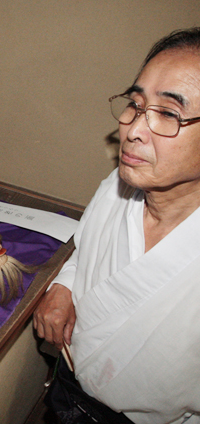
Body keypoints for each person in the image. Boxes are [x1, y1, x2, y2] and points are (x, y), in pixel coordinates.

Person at [33, 27, 200, 424]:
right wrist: (64, 286)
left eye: (168, 114)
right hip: (69, 392)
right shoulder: (118, 186)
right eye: (135, 105)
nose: (132, 130)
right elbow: (88, 249)